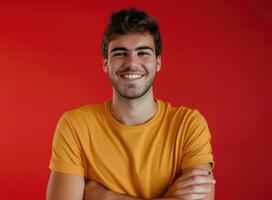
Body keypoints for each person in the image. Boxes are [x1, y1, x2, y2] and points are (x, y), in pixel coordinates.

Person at [46, 7, 216, 200]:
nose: (132, 62)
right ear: (105, 64)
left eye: (143, 53)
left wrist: (106, 197)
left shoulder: (189, 124)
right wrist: (170, 196)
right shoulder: (75, 125)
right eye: (120, 53)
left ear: (158, 62)